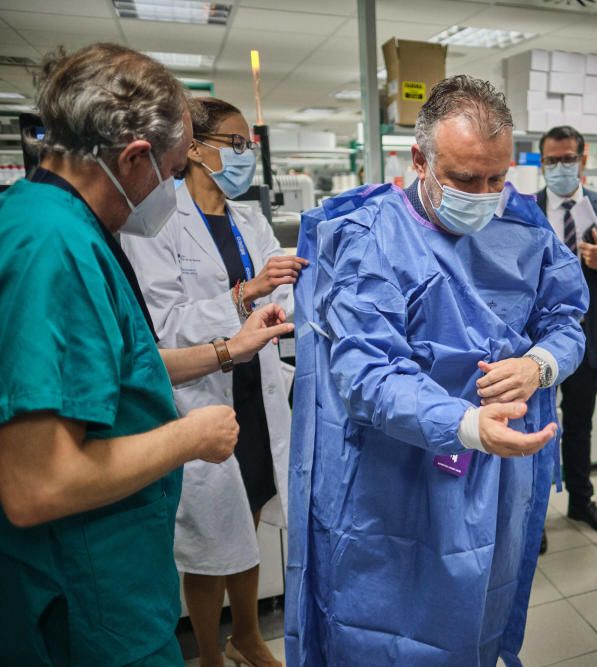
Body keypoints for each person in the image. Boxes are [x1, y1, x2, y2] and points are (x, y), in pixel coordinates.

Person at [0, 43, 292, 666]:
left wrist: (223, 350)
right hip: (87, 599)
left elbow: (118, 367)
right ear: (135, 159)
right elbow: (37, 483)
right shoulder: (52, 245)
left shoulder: (67, 227)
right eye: (170, 169)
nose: (173, 187)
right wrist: (189, 437)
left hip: (118, 580)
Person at [285, 75, 588, 666]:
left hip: (492, 476)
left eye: (498, 178)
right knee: (388, 621)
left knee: (478, 609)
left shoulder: (523, 226)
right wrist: (469, 425)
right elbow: (367, 375)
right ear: (419, 160)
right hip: (394, 473)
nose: (484, 194)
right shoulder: (372, 238)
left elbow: (567, 320)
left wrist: (539, 365)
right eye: (465, 179)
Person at [121, 97, 303, 667]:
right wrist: (243, 297)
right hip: (199, 394)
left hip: (255, 391)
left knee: (243, 519)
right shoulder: (155, 222)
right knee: (204, 540)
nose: (248, 155)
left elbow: (285, 293)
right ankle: (208, 653)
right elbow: (166, 326)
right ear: (195, 149)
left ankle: (246, 637)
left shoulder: (248, 218)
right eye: (237, 143)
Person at [535, 125, 597, 544]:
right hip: (536, 344)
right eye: (552, 160)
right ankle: (534, 510)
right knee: (536, 424)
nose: (561, 167)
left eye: (568, 159)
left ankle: (581, 501)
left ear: (583, 160)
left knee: (580, 425)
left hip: (588, 337)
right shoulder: (523, 207)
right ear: (541, 163)